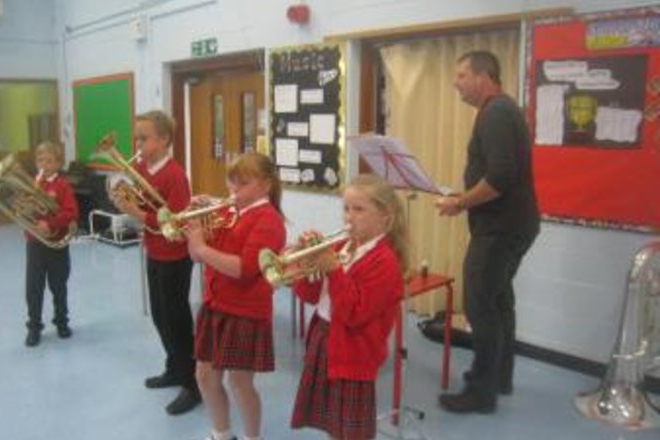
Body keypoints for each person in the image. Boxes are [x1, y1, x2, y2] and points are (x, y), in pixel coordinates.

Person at [434, 50, 540, 414]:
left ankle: (480, 392)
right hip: (514, 225)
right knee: (498, 302)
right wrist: (462, 197)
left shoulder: (495, 112)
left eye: (462, 75)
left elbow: (500, 177)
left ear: (484, 77)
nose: (455, 82)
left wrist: (459, 202)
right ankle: (500, 379)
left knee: (480, 305)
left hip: (499, 229)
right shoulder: (503, 110)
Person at [290, 173, 408, 440]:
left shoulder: (384, 262)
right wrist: (303, 264)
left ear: (385, 217)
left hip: (354, 351)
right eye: (346, 208)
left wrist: (333, 270)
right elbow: (311, 296)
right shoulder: (343, 246)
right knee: (334, 425)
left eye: (359, 209)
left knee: (351, 432)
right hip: (324, 338)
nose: (349, 217)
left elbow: (354, 312)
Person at [185, 152, 286, 440]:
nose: (233, 191)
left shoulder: (269, 220)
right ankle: (222, 434)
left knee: (239, 382)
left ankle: (253, 437)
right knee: (204, 376)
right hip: (215, 305)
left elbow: (243, 269)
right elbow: (196, 256)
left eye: (242, 184)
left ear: (266, 185)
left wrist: (203, 248)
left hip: (245, 311)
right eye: (231, 184)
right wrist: (196, 229)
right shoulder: (230, 213)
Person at [113, 110, 200, 415]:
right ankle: (174, 368)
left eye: (144, 138)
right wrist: (124, 200)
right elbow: (137, 199)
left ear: (163, 140)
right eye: (137, 137)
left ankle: (193, 384)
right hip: (153, 250)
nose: (137, 144)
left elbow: (176, 226)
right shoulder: (141, 166)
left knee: (177, 320)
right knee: (160, 316)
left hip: (175, 256)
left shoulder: (175, 175)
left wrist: (137, 213)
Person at [24, 141, 79, 347]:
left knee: (58, 285)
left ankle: (62, 322)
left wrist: (50, 223)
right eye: (40, 160)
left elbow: (71, 213)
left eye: (49, 161)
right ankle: (34, 327)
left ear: (58, 163)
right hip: (35, 243)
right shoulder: (33, 184)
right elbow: (23, 211)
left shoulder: (62, 186)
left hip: (57, 243)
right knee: (33, 288)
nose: (44, 165)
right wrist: (30, 210)